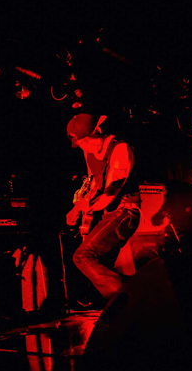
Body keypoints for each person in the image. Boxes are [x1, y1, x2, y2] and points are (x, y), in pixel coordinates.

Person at [65, 113, 141, 302]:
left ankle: (129, 300)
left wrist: (87, 207)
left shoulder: (120, 149)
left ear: (97, 131)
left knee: (82, 256)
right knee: (100, 265)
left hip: (125, 212)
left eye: (86, 141)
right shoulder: (88, 152)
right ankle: (131, 297)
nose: (84, 147)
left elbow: (110, 194)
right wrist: (77, 207)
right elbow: (93, 184)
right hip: (107, 214)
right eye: (80, 144)